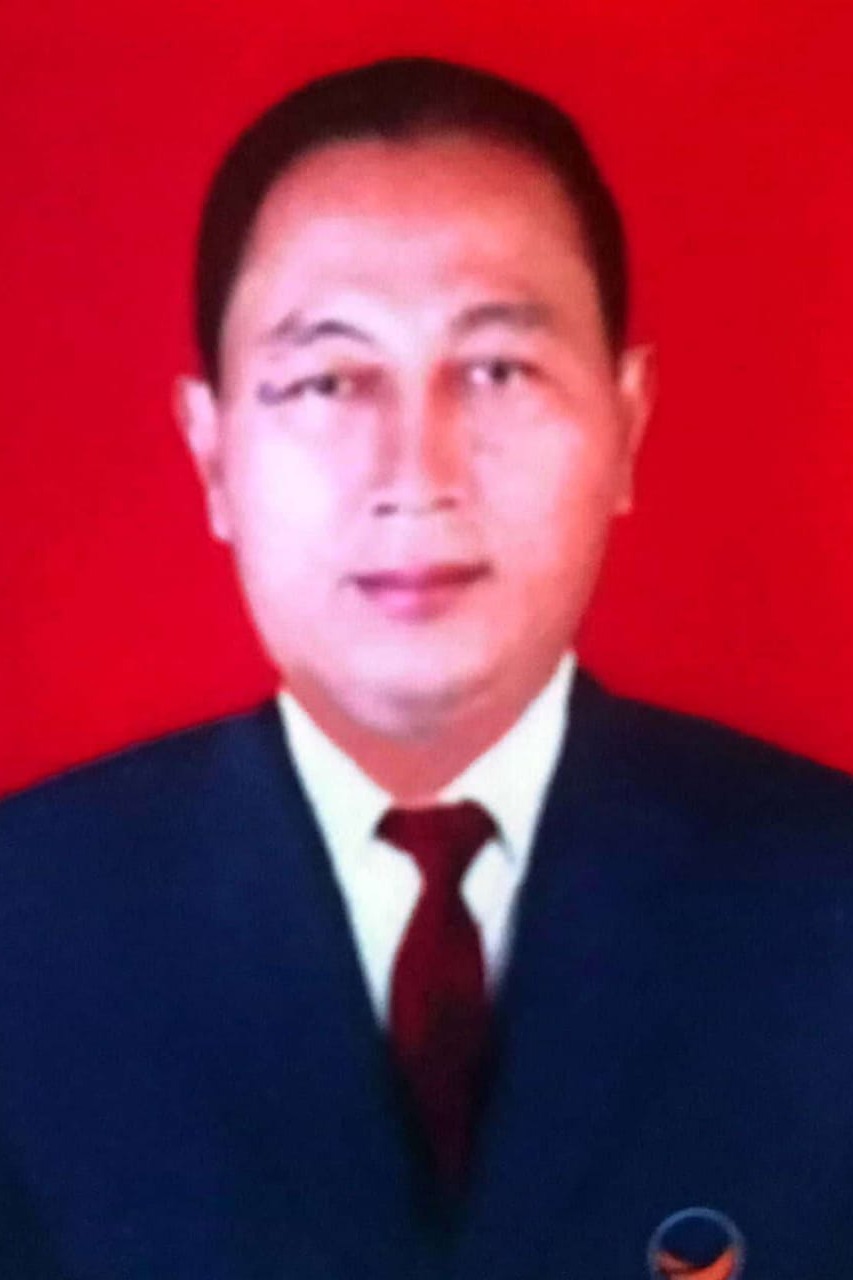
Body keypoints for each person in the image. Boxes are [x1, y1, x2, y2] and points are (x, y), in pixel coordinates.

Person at [1, 55, 852, 1280]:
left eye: (497, 369)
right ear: (212, 456)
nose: (417, 471)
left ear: (627, 425)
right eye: (329, 380)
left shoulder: (826, 898)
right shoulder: (26, 925)